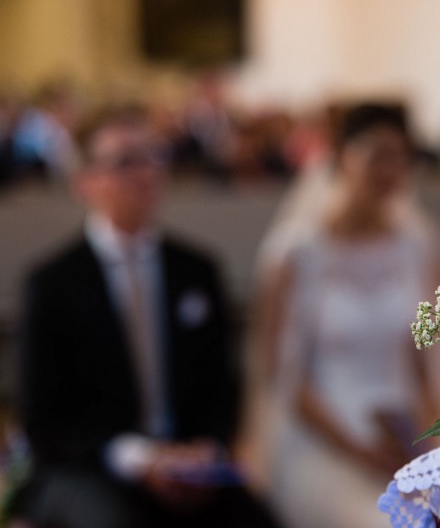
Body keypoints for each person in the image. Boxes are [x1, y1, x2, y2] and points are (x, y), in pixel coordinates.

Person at [16, 105, 279, 528]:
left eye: (153, 157)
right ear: (85, 182)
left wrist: (205, 448)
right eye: (125, 162)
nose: (146, 173)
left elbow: (221, 382)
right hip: (92, 466)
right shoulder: (53, 283)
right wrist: (140, 459)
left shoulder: (195, 269)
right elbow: (43, 421)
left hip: (187, 463)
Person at [253, 102, 440, 527]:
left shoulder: (419, 245)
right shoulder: (296, 253)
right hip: (321, 439)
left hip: (404, 433)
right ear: (341, 155)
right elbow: (283, 375)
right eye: (377, 153)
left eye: (401, 156)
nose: (390, 169)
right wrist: (357, 449)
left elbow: (435, 361)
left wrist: (432, 437)